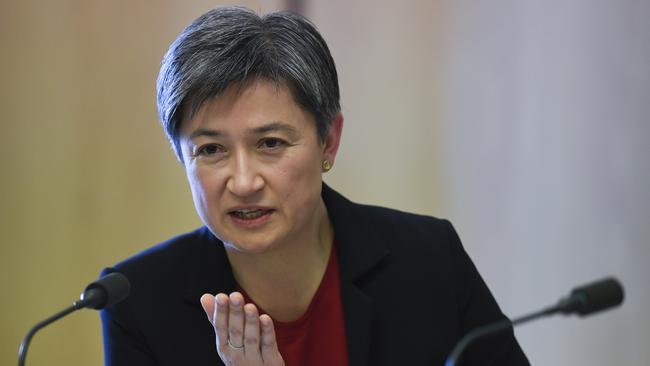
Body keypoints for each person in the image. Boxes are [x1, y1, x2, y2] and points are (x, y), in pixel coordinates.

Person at [100, 6, 529, 366]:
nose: (245, 182)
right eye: (211, 150)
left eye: (270, 143)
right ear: (183, 157)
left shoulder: (428, 260)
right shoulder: (138, 301)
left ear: (329, 141)